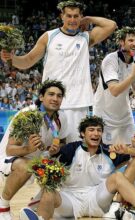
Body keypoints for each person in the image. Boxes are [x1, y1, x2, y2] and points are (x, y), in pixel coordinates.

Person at [0, 0, 117, 143]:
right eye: (69, 16)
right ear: (62, 16)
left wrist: (88, 19)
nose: (72, 20)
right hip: (52, 104)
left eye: (76, 16)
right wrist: (11, 59)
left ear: (81, 17)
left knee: (75, 149)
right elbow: (28, 61)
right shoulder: (49, 37)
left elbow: (111, 25)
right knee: (50, 149)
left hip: (78, 104)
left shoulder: (86, 38)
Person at [19, 116, 135, 220]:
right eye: (91, 130)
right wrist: (52, 152)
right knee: (49, 191)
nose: (96, 133)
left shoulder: (108, 151)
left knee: (117, 177)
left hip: (98, 199)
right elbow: (51, 156)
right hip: (71, 200)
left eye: (99, 130)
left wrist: (127, 150)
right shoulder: (70, 149)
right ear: (82, 134)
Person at [0, 80, 68, 220]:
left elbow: (60, 143)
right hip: (10, 159)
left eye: (59, 96)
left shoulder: (61, 118)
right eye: (51, 94)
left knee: (59, 167)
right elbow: (10, 149)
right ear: (41, 97)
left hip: (36, 159)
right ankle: (3, 206)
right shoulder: (28, 114)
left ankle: (34, 205)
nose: (55, 98)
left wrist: (55, 149)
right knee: (26, 166)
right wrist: (28, 149)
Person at [93, 26, 135, 145]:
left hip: (125, 116)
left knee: (131, 150)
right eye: (130, 40)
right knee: (105, 153)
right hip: (104, 115)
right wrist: (133, 75)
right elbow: (114, 91)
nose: (134, 44)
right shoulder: (110, 60)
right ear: (121, 42)